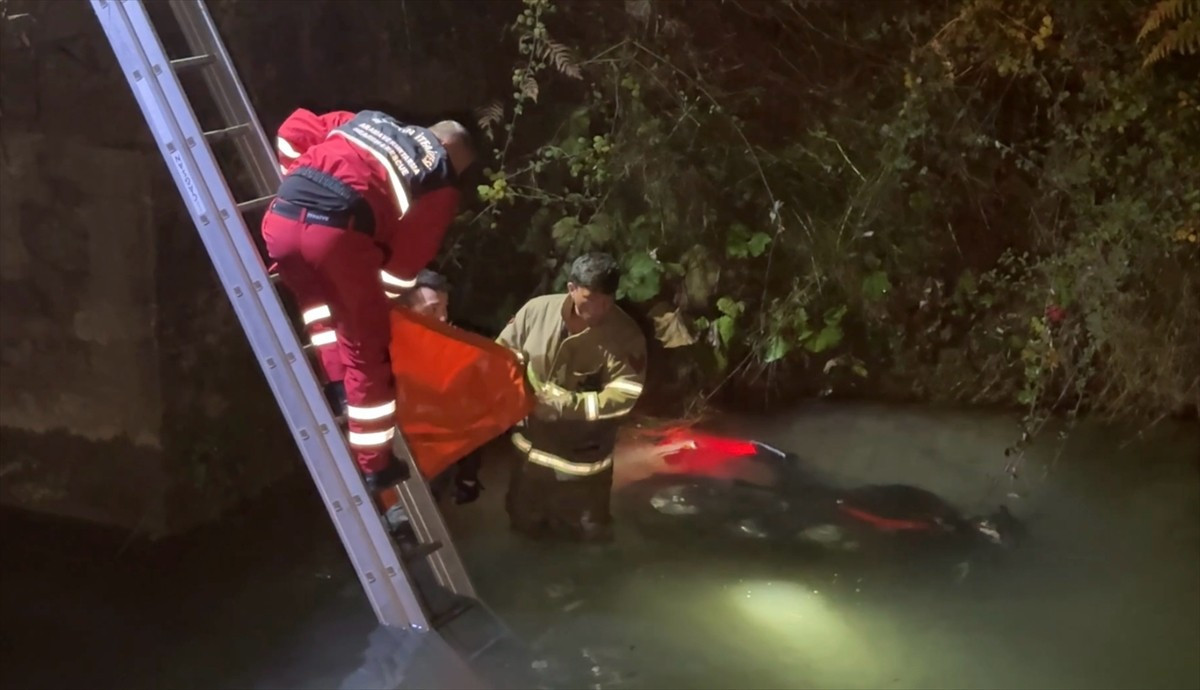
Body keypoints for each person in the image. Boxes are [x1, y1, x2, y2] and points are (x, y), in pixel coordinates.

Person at [262, 107, 476, 507]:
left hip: (281, 223)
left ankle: (338, 385)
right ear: (449, 147)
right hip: (338, 238)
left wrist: (296, 176)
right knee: (366, 348)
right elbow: (405, 263)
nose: (456, 172)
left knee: (319, 309)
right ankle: (375, 464)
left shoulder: (364, 120)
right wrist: (382, 300)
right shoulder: (439, 177)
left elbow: (292, 129)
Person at [496, 252, 648, 542]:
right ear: (571, 288)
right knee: (523, 530)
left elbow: (626, 394)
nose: (599, 309)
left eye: (607, 300)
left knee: (587, 539)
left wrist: (567, 405)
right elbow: (501, 356)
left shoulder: (626, 336)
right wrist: (519, 394)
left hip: (583, 467)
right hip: (529, 461)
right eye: (590, 299)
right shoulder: (536, 312)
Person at [392, 269, 483, 504]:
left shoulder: (449, 350)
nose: (443, 318)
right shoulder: (385, 355)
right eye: (433, 309)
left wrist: (468, 475)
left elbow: (472, 414)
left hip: (439, 469)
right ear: (405, 310)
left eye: (445, 308)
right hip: (400, 475)